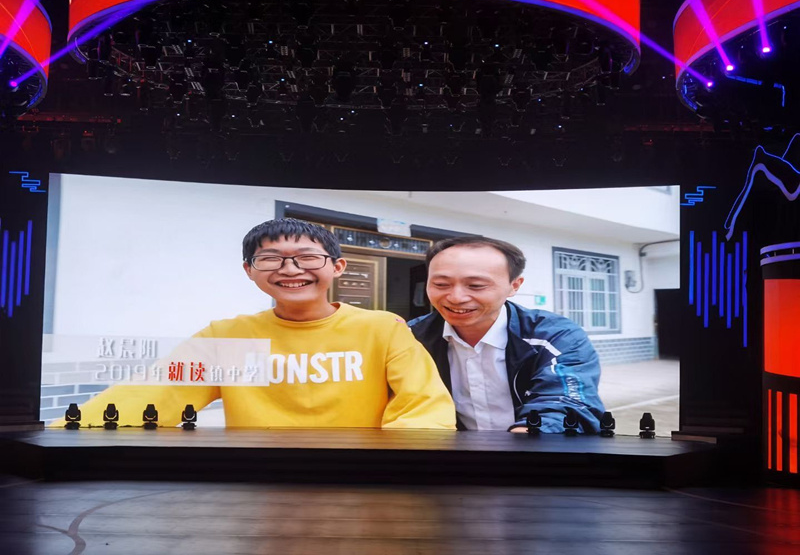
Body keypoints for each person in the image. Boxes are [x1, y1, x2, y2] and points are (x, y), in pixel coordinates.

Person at [68, 219, 456, 429]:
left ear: (337, 267)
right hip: (258, 478)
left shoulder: (382, 329)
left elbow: (423, 408)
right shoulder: (227, 336)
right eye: (270, 259)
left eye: (307, 257)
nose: (291, 269)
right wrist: (65, 431)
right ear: (249, 270)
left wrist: (393, 467)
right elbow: (150, 396)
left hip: (357, 479)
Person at [408, 236, 604, 433]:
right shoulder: (410, 338)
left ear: (514, 286)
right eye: (441, 284)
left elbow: (566, 404)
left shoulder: (556, 336)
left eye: (476, 286)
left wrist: (528, 438)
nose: (456, 298)